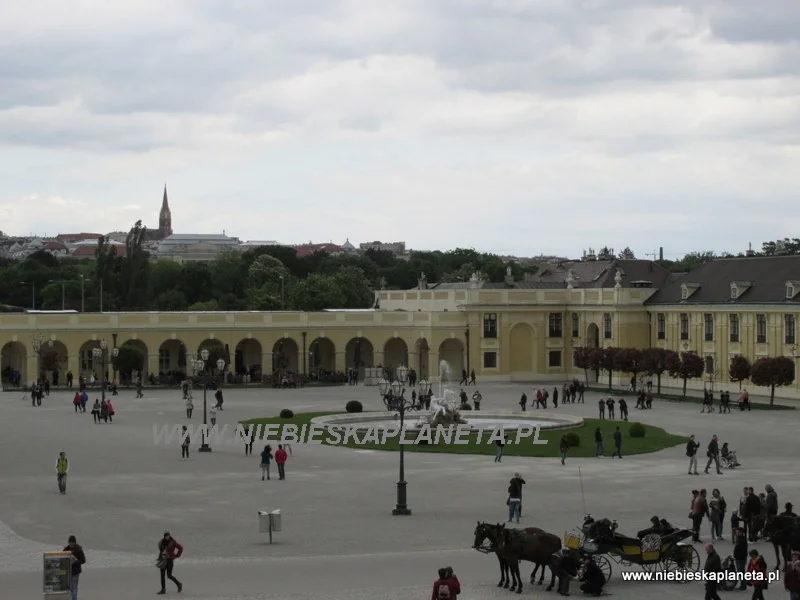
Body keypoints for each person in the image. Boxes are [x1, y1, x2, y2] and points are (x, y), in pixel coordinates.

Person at [63, 535, 86, 600]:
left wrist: (75, 562)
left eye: (73, 542)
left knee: (74, 587)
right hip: (68, 572)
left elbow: (83, 560)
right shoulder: (66, 549)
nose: (71, 544)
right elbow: (61, 559)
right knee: (70, 588)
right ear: (68, 542)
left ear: (75, 542)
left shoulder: (79, 549)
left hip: (76, 572)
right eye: (70, 542)